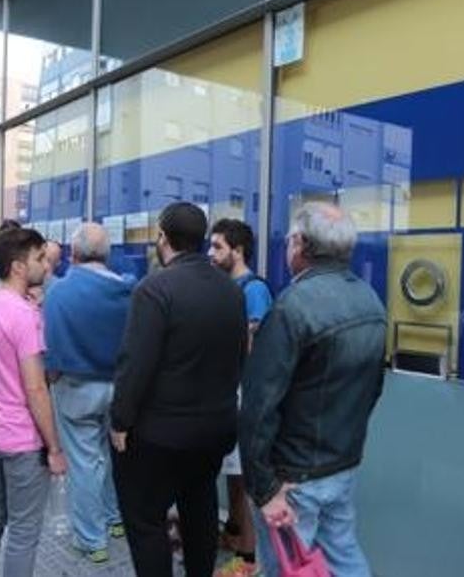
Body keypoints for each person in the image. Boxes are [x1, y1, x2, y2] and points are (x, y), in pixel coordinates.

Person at [239, 202, 386, 577]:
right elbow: (372, 389)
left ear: (300, 244)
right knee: (344, 557)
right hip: (343, 464)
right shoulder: (370, 299)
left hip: (293, 478)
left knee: (289, 568)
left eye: (289, 240)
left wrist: (263, 488)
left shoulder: (292, 307)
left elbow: (258, 406)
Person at [110, 202, 247, 577]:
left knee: (146, 520)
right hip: (215, 429)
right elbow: (239, 358)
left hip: (160, 434)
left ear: (163, 239)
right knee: (199, 507)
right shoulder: (232, 291)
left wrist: (120, 421)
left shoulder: (154, 289)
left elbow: (135, 364)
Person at [0, 227, 67, 577]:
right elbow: (36, 388)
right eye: (39, 258)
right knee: (24, 532)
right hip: (22, 440)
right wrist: (54, 448)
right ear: (18, 267)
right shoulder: (24, 316)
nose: (46, 264)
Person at [43, 223, 133, 563]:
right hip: (120, 389)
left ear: (73, 253)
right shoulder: (129, 290)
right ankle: (115, 520)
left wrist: (52, 380)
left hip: (76, 388)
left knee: (84, 463)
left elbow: (49, 350)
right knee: (111, 456)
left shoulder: (60, 292)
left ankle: (92, 540)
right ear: (107, 254)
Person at [207, 218, 272, 577]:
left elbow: (251, 342)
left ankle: (248, 559)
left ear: (238, 250)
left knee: (242, 476)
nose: (211, 253)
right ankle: (234, 534)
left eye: (218, 246)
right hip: (227, 391)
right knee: (233, 475)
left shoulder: (252, 290)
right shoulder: (227, 287)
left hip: (245, 394)